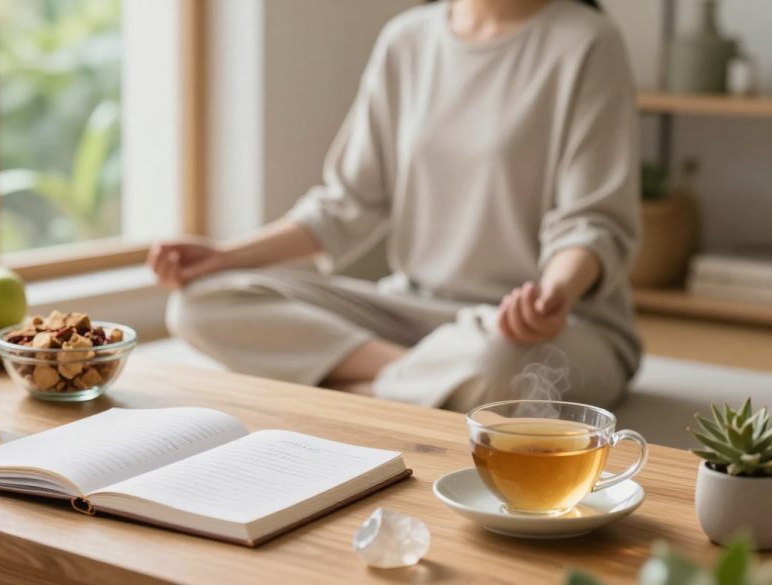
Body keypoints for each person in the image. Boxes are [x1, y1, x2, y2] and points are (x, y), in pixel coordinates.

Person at [148, 0, 640, 411]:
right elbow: (347, 202)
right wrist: (224, 256)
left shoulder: (587, 42)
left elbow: (590, 221)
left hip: (545, 327)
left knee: (501, 367)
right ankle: (424, 381)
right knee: (200, 302)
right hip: (409, 311)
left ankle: (360, 392)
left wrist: (551, 297)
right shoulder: (406, 40)